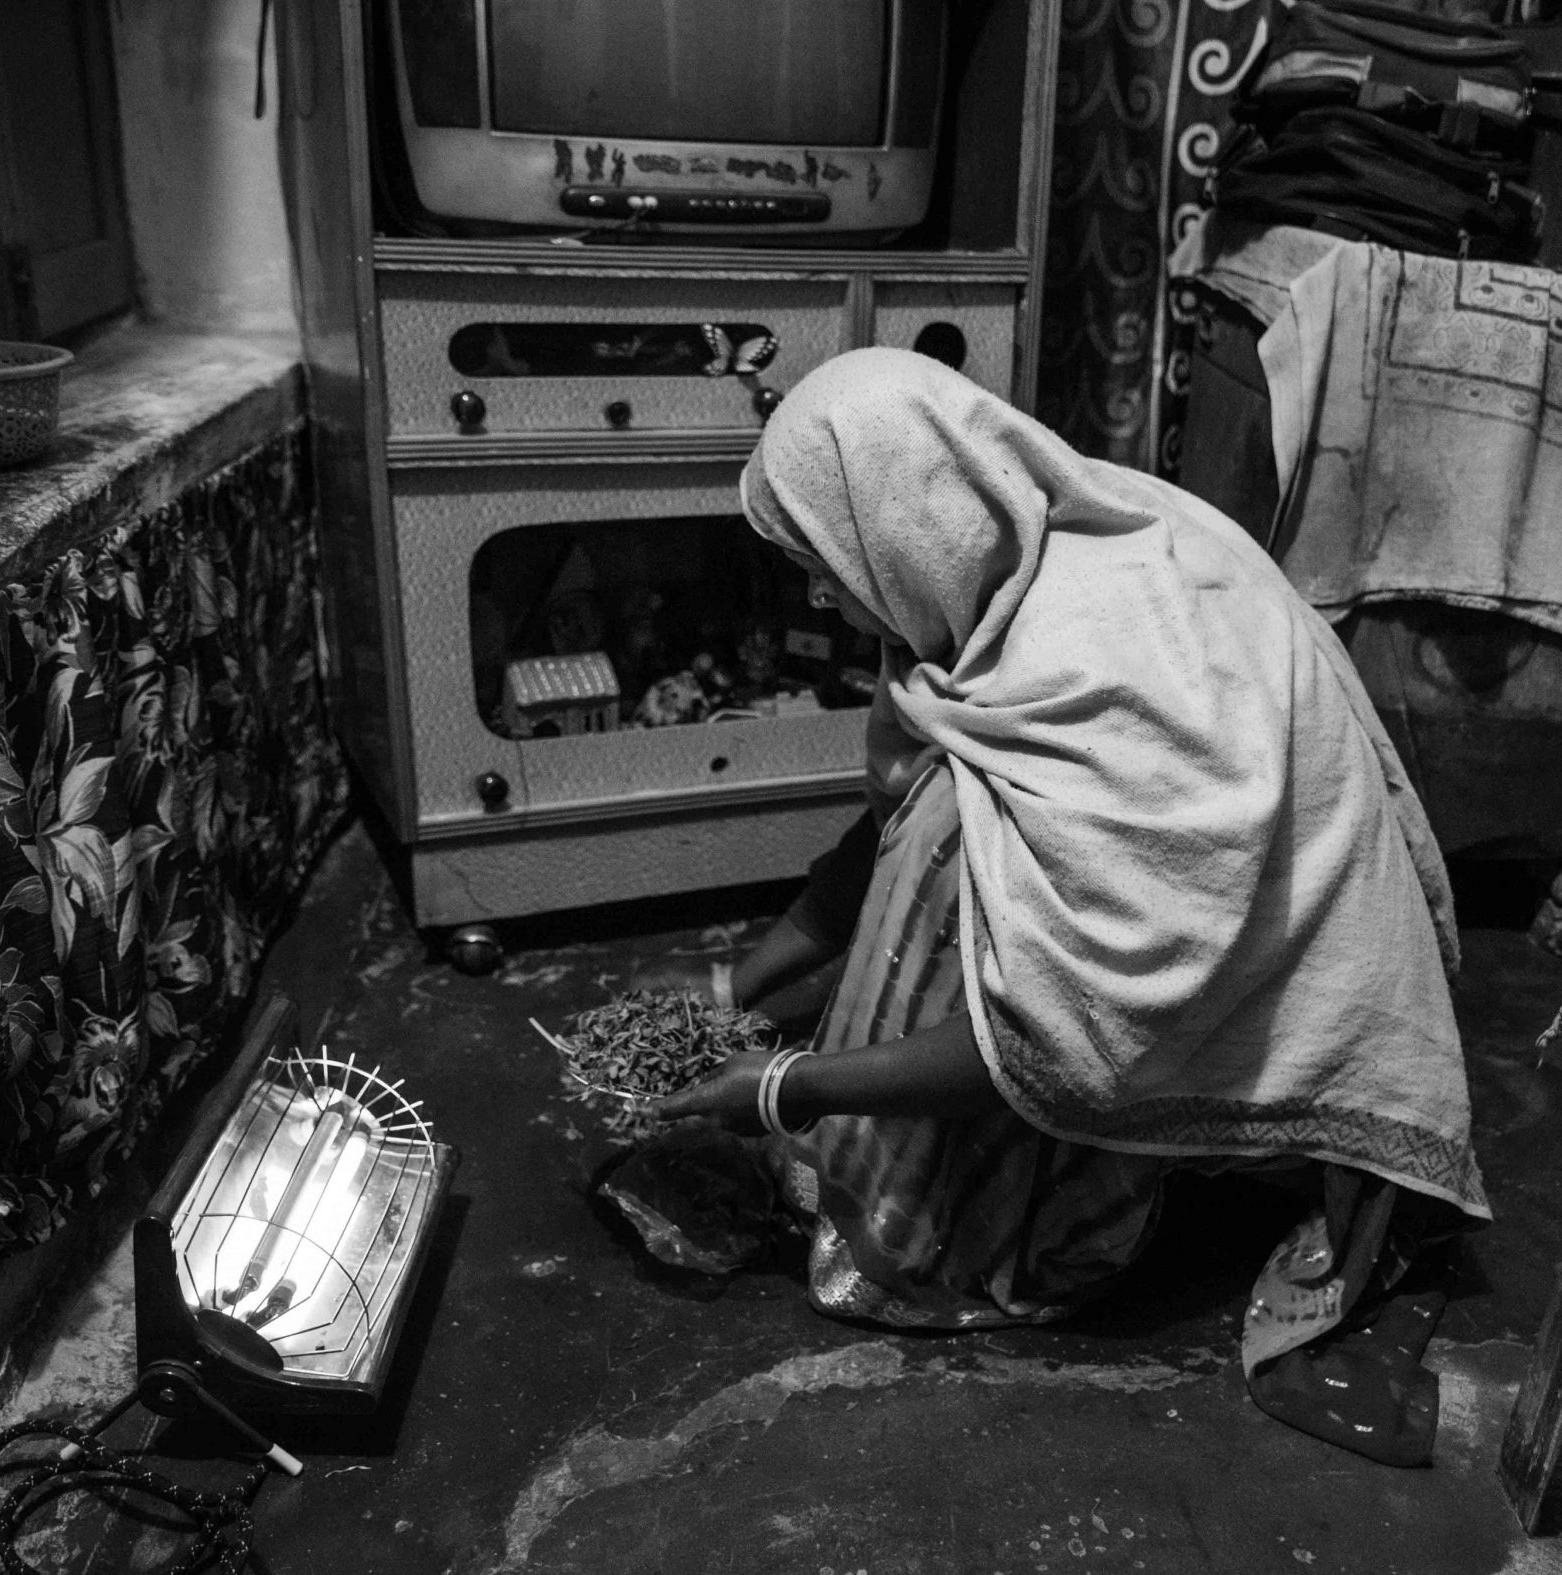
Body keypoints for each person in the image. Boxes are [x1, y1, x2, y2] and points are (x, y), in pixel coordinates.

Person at [633, 347, 1486, 1460]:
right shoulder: (990, 576)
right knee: (940, 810)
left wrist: (794, 1085)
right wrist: (729, 989)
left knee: (952, 837)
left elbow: (1073, 1031)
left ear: (896, 527)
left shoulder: (1110, 661)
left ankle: (1022, 1232)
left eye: (817, 562)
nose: (811, 594)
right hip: (1154, 955)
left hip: (1253, 977)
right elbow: (878, 830)